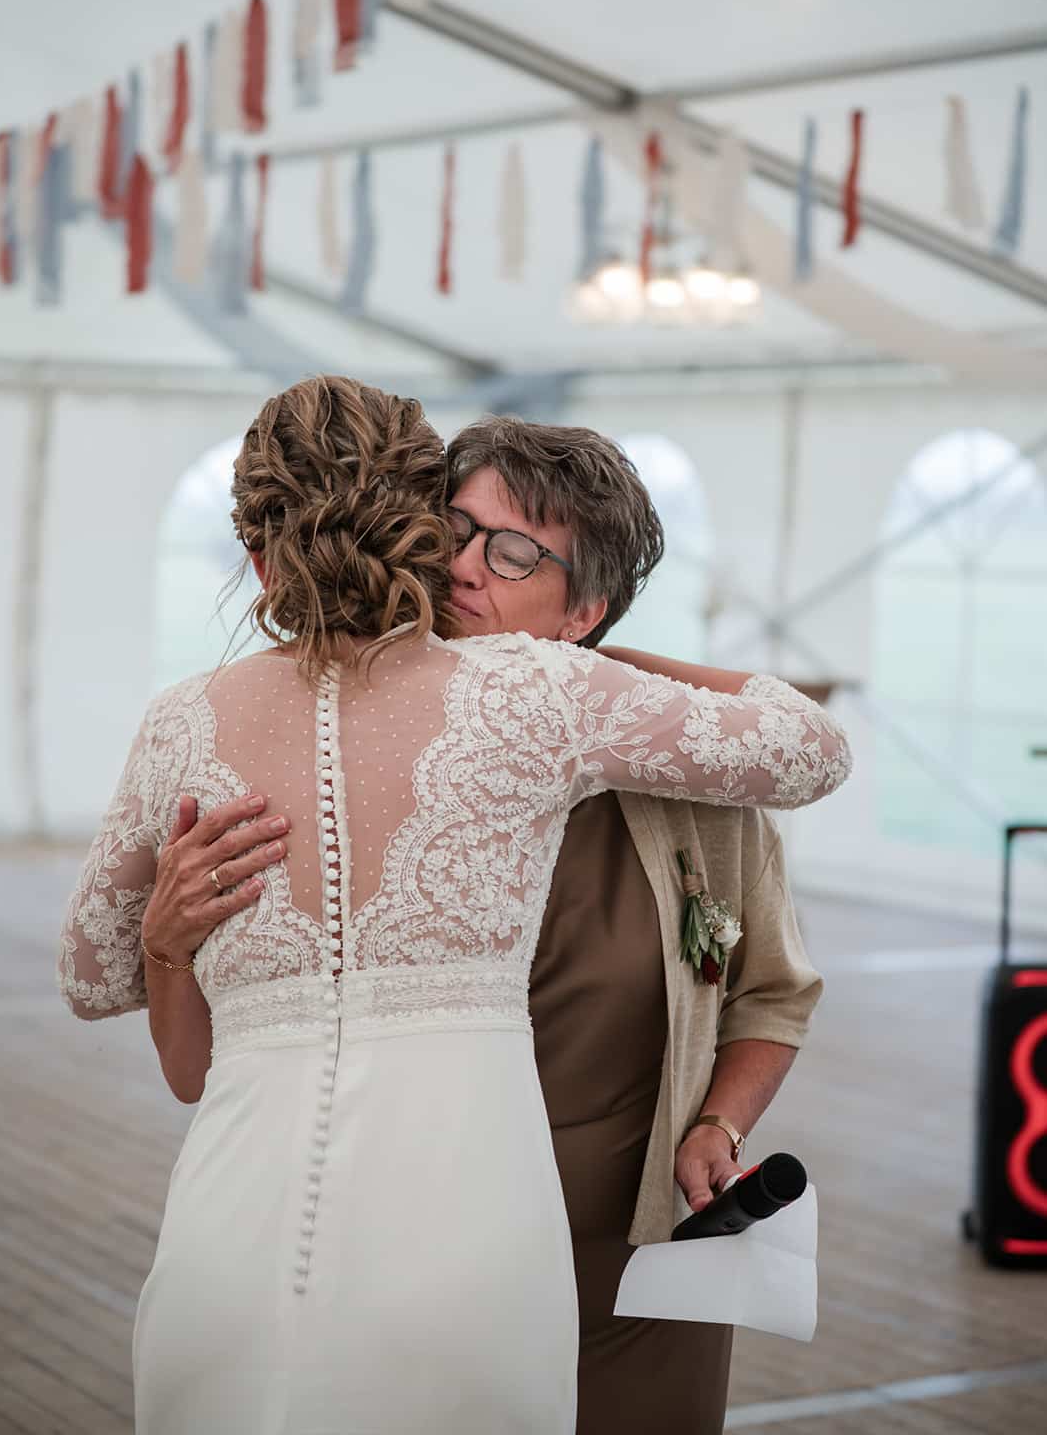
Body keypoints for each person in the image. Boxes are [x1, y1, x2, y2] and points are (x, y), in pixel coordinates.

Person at [58, 376, 851, 1435]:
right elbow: (809, 743)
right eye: (455, 530)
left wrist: (717, 1120)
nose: (466, 567)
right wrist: (167, 942)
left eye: (514, 553)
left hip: (622, 1241)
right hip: (468, 1222)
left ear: (586, 612)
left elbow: (86, 977)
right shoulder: (532, 699)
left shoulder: (632, 752)